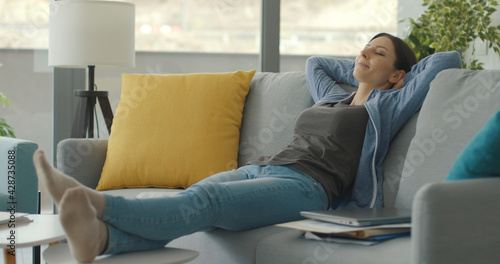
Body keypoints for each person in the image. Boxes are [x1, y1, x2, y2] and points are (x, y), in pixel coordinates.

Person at [33, 33, 462, 262]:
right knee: (192, 203)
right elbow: (316, 63)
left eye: (379, 50)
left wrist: (391, 78)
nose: (364, 51)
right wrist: (365, 67)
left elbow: (446, 60)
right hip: (263, 168)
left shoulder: (388, 104)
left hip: (307, 186)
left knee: (208, 199)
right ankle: (101, 239)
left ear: (398, 74)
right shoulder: (331, 96)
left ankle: (93, 204)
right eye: (365, 46)